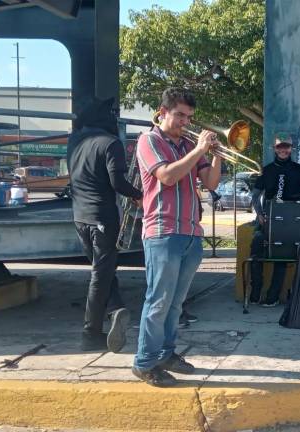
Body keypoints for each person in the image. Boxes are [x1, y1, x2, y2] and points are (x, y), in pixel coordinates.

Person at [132, 88, 222, 387]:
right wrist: (198, 150)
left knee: (176, 303)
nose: (185, 121)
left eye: (189, 117)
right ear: (162, 112)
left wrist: (217, 156)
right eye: (180, 115)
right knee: (158, 301)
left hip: (190, 232)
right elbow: (168, 176)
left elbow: (209, 182)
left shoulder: (187, 145)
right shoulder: (149, 141)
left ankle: (166, 354)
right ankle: (144, 362)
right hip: (162, 231)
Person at [67, 97, 143, 353]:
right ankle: (90, 333)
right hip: (103, 217)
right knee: (100, 276)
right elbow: (117, 183)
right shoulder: (111, 143)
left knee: (104, 270)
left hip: (80, 216)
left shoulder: (74, 141)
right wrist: (139, 194)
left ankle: (116, 309)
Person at [249, 137, 300, 307]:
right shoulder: (267, 170)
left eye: (286, 147)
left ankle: (273, 296)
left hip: (291, 224)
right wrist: (259, 214)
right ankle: (255, 291)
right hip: (268, 221)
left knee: (281, 254)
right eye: (279, 147)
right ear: (274, 148)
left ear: (291, 148)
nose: (283, 150)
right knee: (256, 250)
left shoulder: (299, 170)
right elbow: (255, 195)